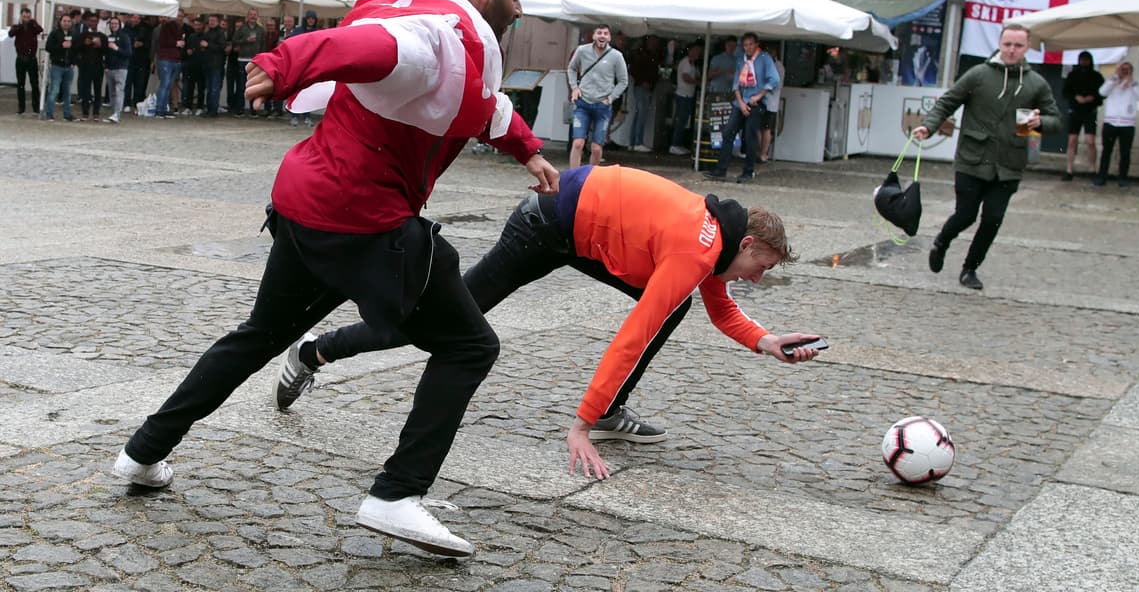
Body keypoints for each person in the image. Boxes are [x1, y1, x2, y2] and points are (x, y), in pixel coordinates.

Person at [111, 0, 555, 559]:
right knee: (468, 344)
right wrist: (286, 61)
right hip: (361, 219)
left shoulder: (420, 15)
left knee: (259, 334)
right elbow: (368, 49)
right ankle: (395, 496)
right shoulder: (437, 34)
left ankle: (141, 454)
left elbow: (488, 107)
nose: (518, 10)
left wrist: (529, 151)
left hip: (306, 202)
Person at [275, 165, 822, 480]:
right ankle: (314, 352)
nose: (756, 278)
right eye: (761, 268)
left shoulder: (717, 236)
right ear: (746, 244)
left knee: (673, 305)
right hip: (542, 227)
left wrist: (766, 341)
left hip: (583, 230)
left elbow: (719, 302)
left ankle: (609, 412)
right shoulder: (695, 251)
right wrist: (578, 425)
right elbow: (634, 337)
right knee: (433, 324)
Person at [911, 25, 1061, 290]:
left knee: (992, 218)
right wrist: (929, 126)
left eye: (1018, 45)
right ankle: (941, 242)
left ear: (1027, 48)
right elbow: (948, 102)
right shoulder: (980, 75)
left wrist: (1039, 122)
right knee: (966, 215)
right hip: (973, 159)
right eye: (1007, 44)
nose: (1012, 50)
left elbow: (1056, 120)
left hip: (1009, 164)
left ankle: (970, 268)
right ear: (1000, 45)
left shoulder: (1036, 83)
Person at [702, 32, 779, 184]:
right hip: (740, 102)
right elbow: (736, 83)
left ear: (756, 44)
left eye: (750, 44)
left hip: (756, 103)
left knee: (750, 137)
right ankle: (721, 169)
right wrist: (741, 103)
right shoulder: (741, 60)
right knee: (728, 132)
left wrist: (759, 95)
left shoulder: (764, 59)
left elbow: (774, 79)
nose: (748, 47)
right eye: (745, 45)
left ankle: (748, 171)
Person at [567, 25, 629, 168]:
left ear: (609, 38)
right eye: (599, 33)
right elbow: (571, 68)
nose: (602, 36)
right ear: (594, 36)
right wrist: (574, 88)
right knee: (578, 143)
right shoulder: (582, 51)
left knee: (596, 147)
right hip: (583, 102)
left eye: (605, 33)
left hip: (603, 105)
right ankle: (573, 175)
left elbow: (623, 81)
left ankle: (591, 176)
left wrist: (612, 97)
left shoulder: (616, 56)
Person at [1095, 60, 1139, 188]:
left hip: (1127, 124)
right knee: (1106, 151)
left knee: (1125, 152)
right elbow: (1102, 92)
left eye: (1128, 69)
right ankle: (1102, 177)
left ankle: (1123, 178)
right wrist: (1114, 79)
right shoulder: (1112, 81)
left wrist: (1131, 83)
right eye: (1123, 69)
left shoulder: (1136, 84)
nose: (1125, 71)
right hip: (1111, 122)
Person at [1061, 50, 1104, 181]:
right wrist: (1076, 97)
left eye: (1086, 60)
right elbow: (1065, 92)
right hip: (1075, 111)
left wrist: (1092, 98)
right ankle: (1069, 169)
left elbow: (1102, 94)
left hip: (1090, 112)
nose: (1084, 62)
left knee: (1090, 141)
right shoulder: (1073, 75)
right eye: (1082, 60)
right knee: (1072, 141)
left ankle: (1092, 168)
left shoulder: (1096, 76)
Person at [626, 35, 662, 152]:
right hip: (642, 87)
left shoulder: (650, 55)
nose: (654, 44)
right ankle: (637, 141)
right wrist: (642, 81)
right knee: (641, 114)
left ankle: (633, 142)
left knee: (639, 114)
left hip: (645, 87)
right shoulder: (643, 56)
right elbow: (633, 70)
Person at [669, 43, 702, 156]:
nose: (697, 53)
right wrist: (698, 83)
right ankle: (674, 144)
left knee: (683, 121)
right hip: (683, 95)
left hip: (688, 95)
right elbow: (685, 77)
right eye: (696, 51)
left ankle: (678, 144)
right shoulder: (686, 61)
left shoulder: (693, 64)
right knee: (681, 120)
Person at [9, 6, 42, 116]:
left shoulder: (33, 26)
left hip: (31, 59)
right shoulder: (17, 26)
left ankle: (36, 107)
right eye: (24, 17)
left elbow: (40, 30)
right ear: (21, 16)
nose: (26, 19)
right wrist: (19, 25)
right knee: (21, 84)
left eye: (28, 17)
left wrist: (33, 22)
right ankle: (21, 107)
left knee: (34, 84)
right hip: (20, 59)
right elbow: (11, 34)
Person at [231, 10, 265, 116]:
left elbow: (263, 45)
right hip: (242, 60)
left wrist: (262, 58)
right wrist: (246, 40)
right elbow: (234, 41)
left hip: (255, 61)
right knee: (241, 85)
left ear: (257, 16)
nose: (253, 17)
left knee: (254, 85)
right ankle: (240, 109)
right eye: (251, 15)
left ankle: (253, 110)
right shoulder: (242, 28)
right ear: (247, 16)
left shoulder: (261, 30)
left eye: (255, 15)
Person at [43, 14, 75, 121]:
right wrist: (62, 46)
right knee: (54, 91)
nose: (66, 23)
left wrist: (74, 62)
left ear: (71, 23)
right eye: (64, 21)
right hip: (57, 66)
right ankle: (49, 114)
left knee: (67, 92)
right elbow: (48, 48)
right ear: (60, 22)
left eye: (68, 21)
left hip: (69, 67)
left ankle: (67, 114)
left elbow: (76, 49)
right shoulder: (54, 33)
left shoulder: (73, 34)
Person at [74, 16, 106, 121]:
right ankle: (85, 112)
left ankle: (96, 112)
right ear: (88, 22)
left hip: (98, 66)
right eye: (91, 21)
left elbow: (106, 51)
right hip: (85, 66)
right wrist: (84, 44)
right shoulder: (83, 35)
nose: (93, 23)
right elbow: (76, 49)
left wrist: (100, 46)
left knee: (97, 90)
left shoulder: (102, 36)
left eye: (95, 21)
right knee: (85, 90)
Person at [103, 16, 133, 124]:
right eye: (112, 24)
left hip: (121, 68)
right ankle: (114, 113)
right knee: (112, 92)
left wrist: (116, 48)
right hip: (110, 68)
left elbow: (129, 53)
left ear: (119, 25)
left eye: (116, 24)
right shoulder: (109, 37)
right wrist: (106, 66)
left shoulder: (125, 37)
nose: (113, 25)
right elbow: (106, 53)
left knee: (119, 91)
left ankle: (117, 114)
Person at [758, 43, 784, 163]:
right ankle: (760, 152)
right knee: (759, 128)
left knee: (766, 129)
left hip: (770, 102)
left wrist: (762, 89)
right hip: (762, 101)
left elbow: (776, 85)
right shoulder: (766, 65)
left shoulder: (778, 66)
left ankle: (763, 153)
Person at [153, 18, 183, 118]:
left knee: (168, 86)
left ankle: (163, 109)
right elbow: (162, 42)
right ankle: (159, 110)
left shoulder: (176, 26)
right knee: (165, 85)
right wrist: (176, 43)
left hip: (174, 58)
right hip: (167, 58)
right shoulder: (166, 26)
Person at [201, 15, 227, 119]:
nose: (211, 22)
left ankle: (213, 110)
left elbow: (222, 47)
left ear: (218, 22)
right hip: (208, 63)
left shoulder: (220, 32)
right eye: (210, 20)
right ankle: (209, 109)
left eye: (213, 20)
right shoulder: (208, 32)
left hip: (216, 64)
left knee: (214, 88)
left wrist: (208, 45)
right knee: (209, 88)